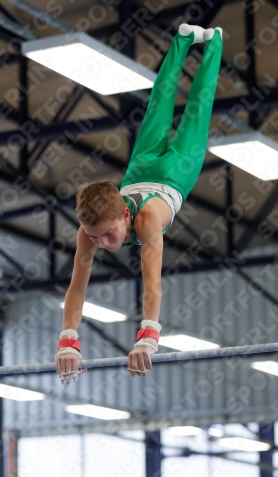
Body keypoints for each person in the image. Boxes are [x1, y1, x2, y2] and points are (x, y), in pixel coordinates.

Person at [55, 24, 223, 384]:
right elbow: (76, 288)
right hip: (141, 168)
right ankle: (187, 39)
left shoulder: (146, 220)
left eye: (108, 233)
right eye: (95, 236)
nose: (101, 242)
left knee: (194, 108)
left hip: (176, 172)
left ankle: (206, 40)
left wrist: (148, 337)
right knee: (160, 102)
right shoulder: (90, 231)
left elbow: (152, 283)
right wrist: (68, 341)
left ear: (126, 214)